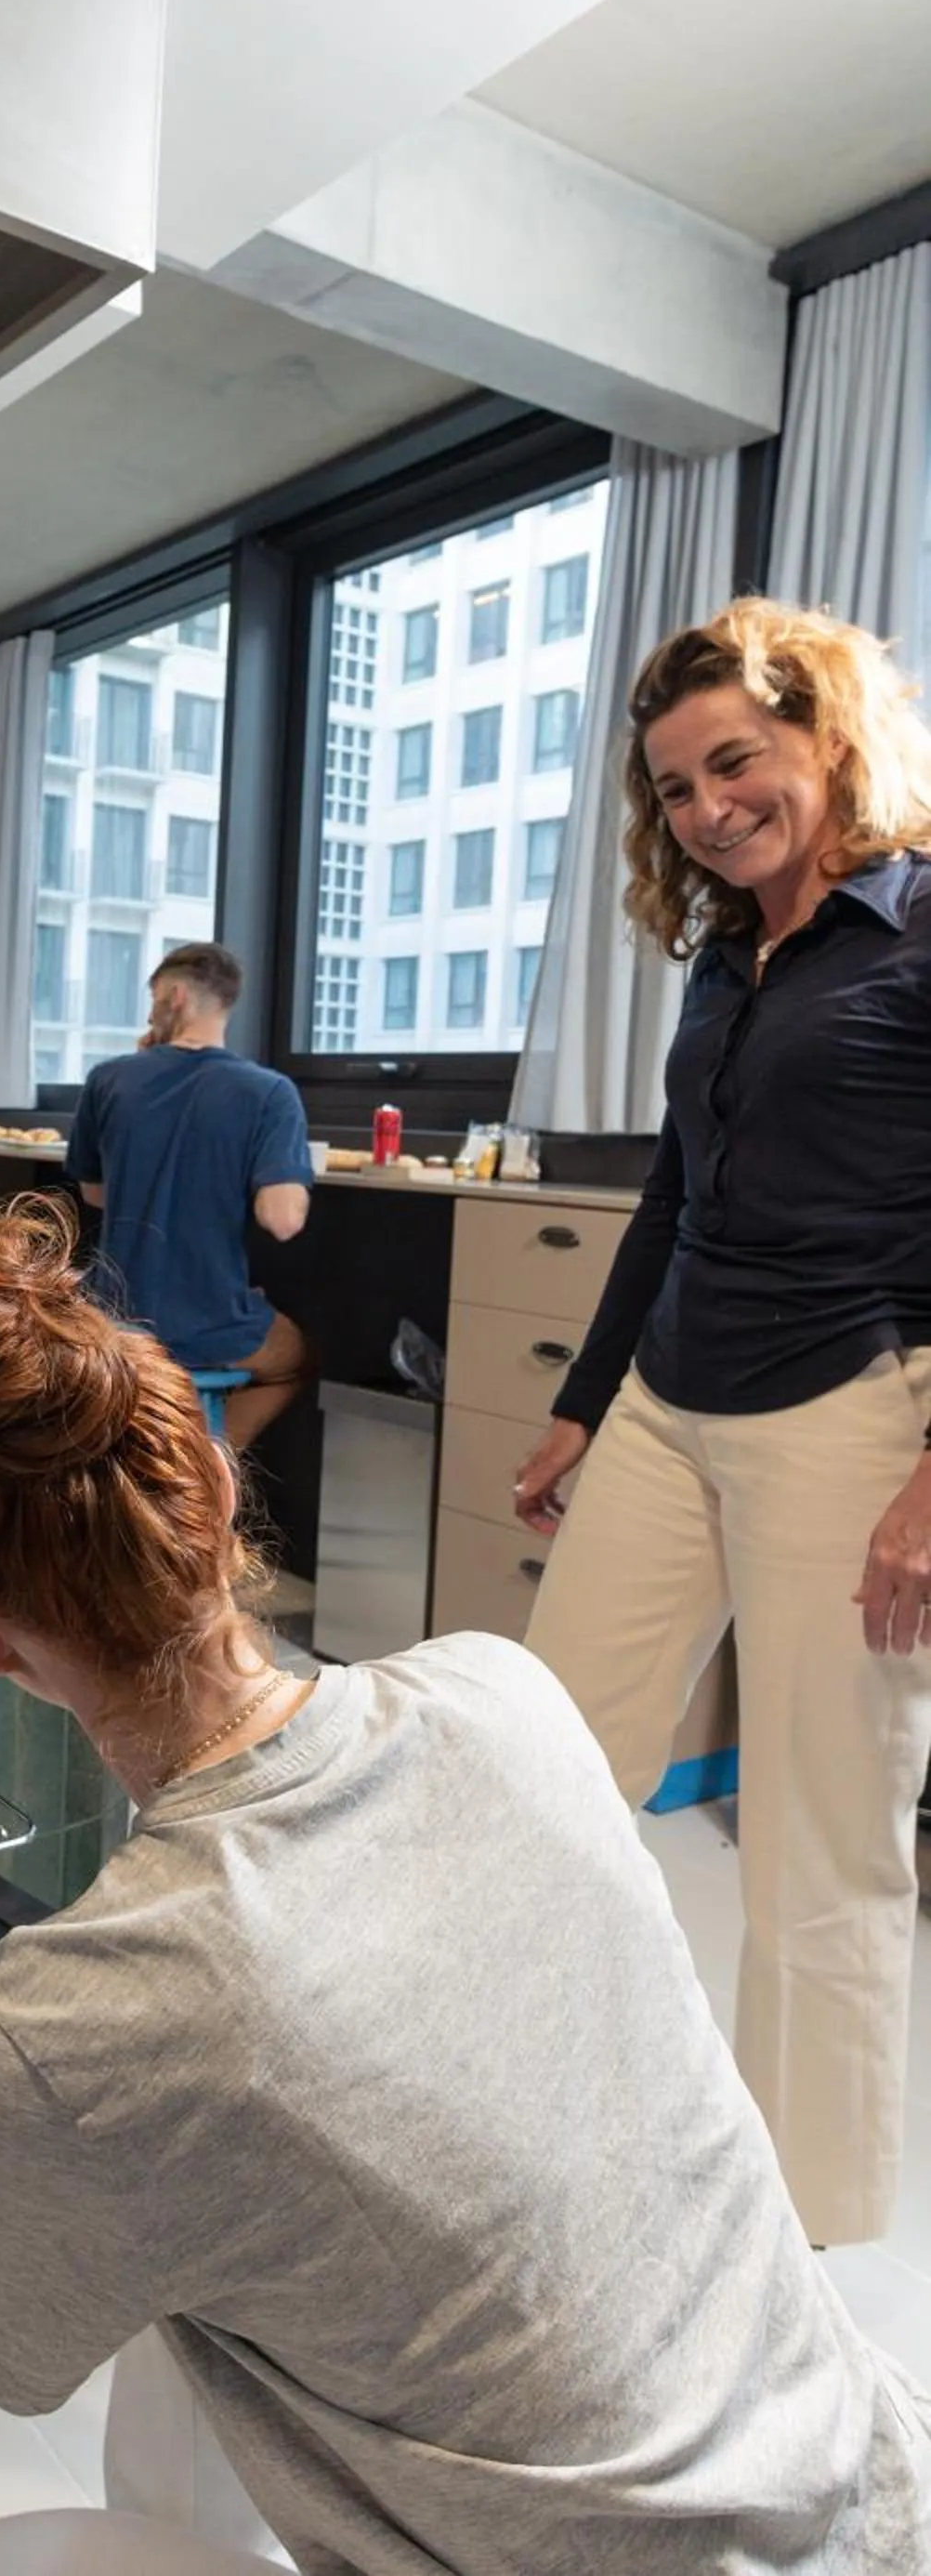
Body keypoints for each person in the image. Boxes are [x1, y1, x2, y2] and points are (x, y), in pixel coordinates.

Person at [0, 1203, 931, 2574]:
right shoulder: (506, 1695)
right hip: (867, 2495)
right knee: (196, 2232)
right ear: (225, 1493)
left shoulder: (109, 2026)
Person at [513, 596, 931, 2254]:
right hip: (673, 1407)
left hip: (850, 1410)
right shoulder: (723, 953)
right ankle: (527, 2116)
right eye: (674, 788)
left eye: (733, 764)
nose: (704, 811)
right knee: (541, 1771)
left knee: (823, 1854)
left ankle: (800, 2248)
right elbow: (672, 1199)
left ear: (825, 734)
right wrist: (578, 1403)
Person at [63, 941, 310, 1449]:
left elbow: (95, 1194)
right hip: (208, 1325)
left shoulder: (108, 1079)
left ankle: (163, 1460)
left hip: (110, 1317)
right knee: (296, 1362)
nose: (150, 1011)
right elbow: (282, 1220)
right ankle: (204, 1466)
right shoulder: (269, 1092)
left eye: (153, 998)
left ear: (174, 997)